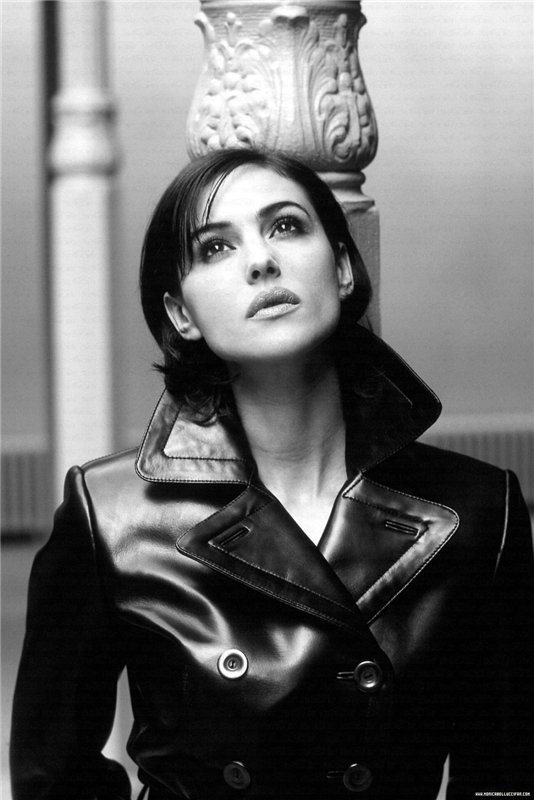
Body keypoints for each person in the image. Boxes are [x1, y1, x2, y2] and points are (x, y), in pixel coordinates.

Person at [10, 148, 534, 800]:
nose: (260, 261)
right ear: (181, 314)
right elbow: (52, 779)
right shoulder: (111, 514)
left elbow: (505, 780)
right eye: (216, 248)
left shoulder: (479, 511)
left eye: (285, 226)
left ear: (341, 267)